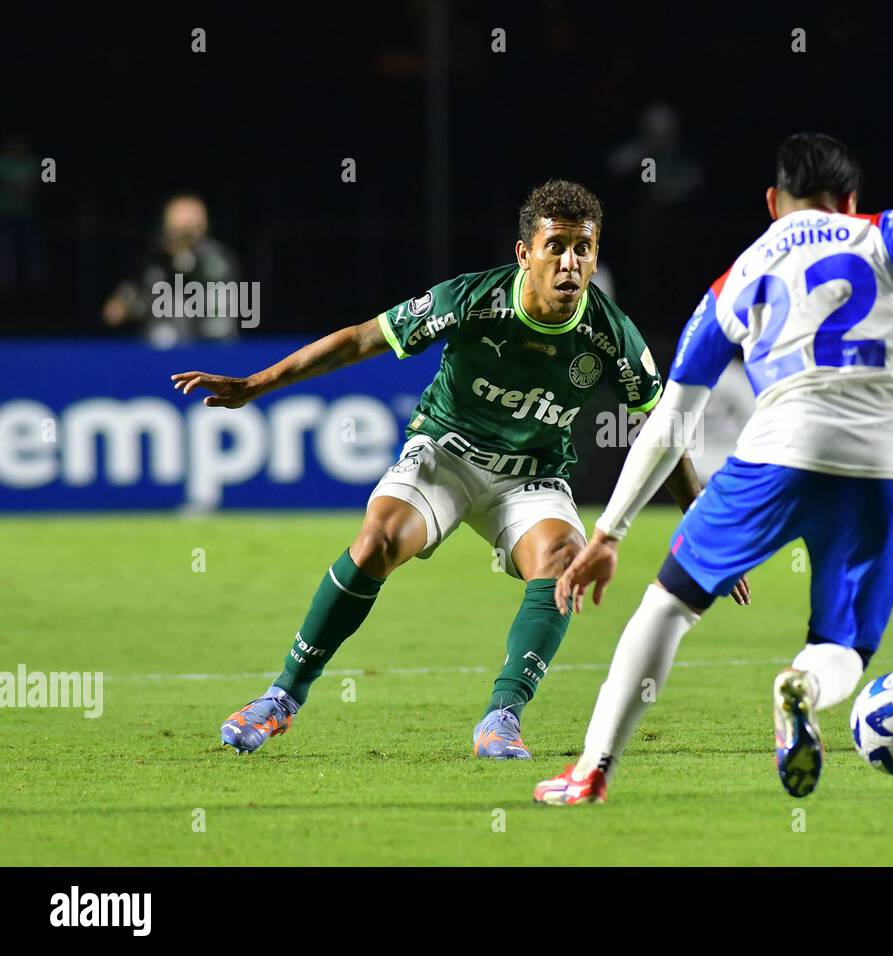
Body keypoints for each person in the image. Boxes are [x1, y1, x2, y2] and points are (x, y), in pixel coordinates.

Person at [534, 134, 893, 804]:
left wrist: (609, 533)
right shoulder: (878, 232)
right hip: (884, 469)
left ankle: (592, 769)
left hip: (778, 455)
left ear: (771, 203)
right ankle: (803, 690)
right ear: (848, 199)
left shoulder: (738, 277)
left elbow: (671, 420)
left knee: (668, 603)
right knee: (841, 645)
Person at [171, 180, 747, 759]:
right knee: (375, 543)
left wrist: (704, 524)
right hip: (447, 455)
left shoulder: (611, 335)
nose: (570, 263)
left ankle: (502, 718)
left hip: (531, 476)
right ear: (525, 254)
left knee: (564, 560)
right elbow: (363, 340)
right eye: (556, 247)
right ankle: (281, 698)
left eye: (583, 248)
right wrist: (257, 384)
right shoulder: (475, 299)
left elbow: (661, 428)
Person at [103, 194, 241, 347]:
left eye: (188, 230)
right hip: (159, 353)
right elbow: (117, 310)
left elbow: (203, 281)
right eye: (177, 229)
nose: (182, 236)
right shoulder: (153, 263)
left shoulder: (217, 258)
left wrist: (180, 261)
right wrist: (129, 304)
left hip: (210, 350)